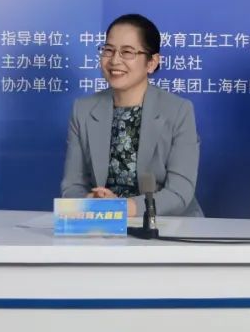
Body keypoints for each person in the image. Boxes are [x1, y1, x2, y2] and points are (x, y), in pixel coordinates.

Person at [61, 14, 202, 216]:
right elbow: (72, 186)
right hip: (104, 222)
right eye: (108, 50)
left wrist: (124, 208)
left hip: (164, 223)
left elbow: (179, 192)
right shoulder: (82, 110)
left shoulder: (178, 110)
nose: (114, 60)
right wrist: (91, 200)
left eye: (127, 52)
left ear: (152, 62)